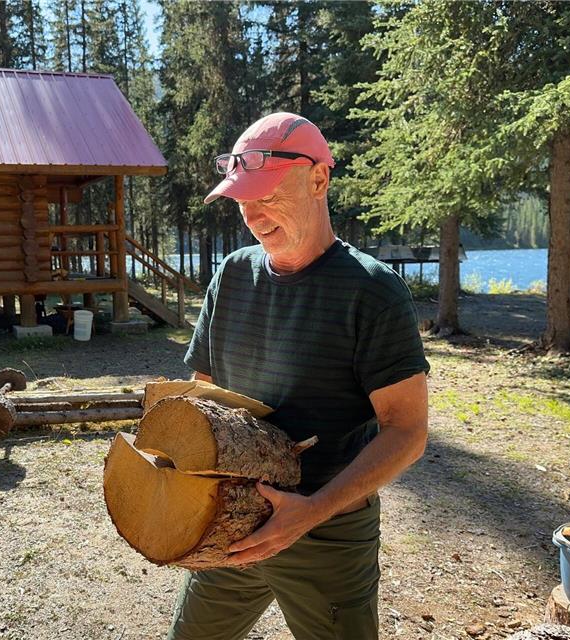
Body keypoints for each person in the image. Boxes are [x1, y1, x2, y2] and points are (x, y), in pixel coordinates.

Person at [169, 112, 430, 640]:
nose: (253, 214)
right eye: (243, 200)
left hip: (328, 530)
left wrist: (308, 513)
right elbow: (203, 395)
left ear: (319, 179)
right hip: (230, 519)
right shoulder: (233, 276)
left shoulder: (373, 292)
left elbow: (408, 431)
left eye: (266, 195)